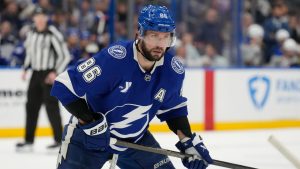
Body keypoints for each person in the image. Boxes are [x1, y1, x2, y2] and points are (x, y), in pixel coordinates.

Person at [51, 5, 213, 169]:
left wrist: (187, 141)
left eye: (165, 37)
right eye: (153, 36)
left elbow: (173, 110)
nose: (159, 43)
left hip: (135, 141)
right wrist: (90, 122)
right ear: (139, 34)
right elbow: (64, 85)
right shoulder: (115, 59)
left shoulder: (173, 70)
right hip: (87, 139)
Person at [16, 6, 71, 151]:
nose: (39, 20)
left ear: (46, 18)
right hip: (35, 73)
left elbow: (65, 55)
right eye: (37, 16)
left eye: (42, 17)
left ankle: (59, 140)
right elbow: (30, 52)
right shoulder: (31, 33)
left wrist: (55, 72)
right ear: (33, 18)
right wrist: (25, 68)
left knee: (51, 107)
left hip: (48, 74)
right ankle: (28, 141)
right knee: (31, 107)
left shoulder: (53, 33)